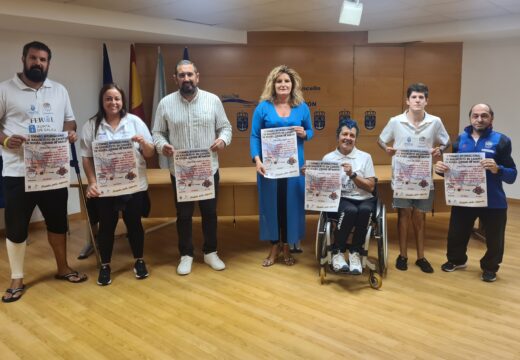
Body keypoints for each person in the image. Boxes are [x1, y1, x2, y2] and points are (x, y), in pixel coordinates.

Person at [0, 41, 87, 303]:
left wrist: (70, 131)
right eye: (34, 58)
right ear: (23, 59)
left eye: (43, 60)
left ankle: (63, 268)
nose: (38, 63)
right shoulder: (5, 89)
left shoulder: (59, 90)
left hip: (53, 171)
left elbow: (70, 119)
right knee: (16, 227)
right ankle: (17, 277)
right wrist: (5, 140)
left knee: (58, 222)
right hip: (18, 171)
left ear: (49, 63)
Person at [153, 60, 232, 276]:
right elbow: (157, 133)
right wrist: (162, 145)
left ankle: (210, 252)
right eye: (181, 75)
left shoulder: (213, 100)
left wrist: (223, 140)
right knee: (184, 215)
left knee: (210, 213)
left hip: (208, 169)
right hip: (180, 171)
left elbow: (225, 127)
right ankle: (186, 255)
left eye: (189, 74)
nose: (186, 78)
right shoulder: (165, 103)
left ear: (197, 76)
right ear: (175, 78)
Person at [80, 83, 155, 286]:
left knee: (134, 225)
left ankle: (139, 261)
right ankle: (105, 265)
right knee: (106, 227)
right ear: (102, 101)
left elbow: (149, 153)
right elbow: (86, 157)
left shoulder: (135, 122)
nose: (113, 102)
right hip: (106, 187)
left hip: (134, 185)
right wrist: (92, 182)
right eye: (108, 98)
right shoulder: (91, 125)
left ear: (122, 101)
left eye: (117, 98)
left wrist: (145, 143)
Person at [435, 104, 517, 282]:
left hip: (493, 200)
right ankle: (456, 260)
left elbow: (512, 175)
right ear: (470, 118)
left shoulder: (502, 141)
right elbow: (453, 170)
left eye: (484, 115)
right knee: (456, 233)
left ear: (491, 119)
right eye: (475, 116)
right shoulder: (459, 140)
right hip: (464, 197)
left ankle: (490, 267)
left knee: (495, 239)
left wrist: (498, 168)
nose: (479, 119)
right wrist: (441, 169)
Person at [378, 83, 450, 273]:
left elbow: (446, 141)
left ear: (427, 101)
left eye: (421, 97)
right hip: (402, 177)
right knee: (403, 215)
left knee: (420, 216)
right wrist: (386, 149)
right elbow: (381, 139)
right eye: (414, 97)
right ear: (407, 100)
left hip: (424, 177)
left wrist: (440, 149)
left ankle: (421, 257)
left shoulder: (435, 121)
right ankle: (403, 256)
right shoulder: (396, 121)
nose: (417, 100)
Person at [250, 65, 314, 267]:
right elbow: (254, 136)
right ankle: (274, 246)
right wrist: (257, 160)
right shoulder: (263, 107)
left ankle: (287, 246)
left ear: (292, 85)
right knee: (272, 207)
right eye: (279, 81)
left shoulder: (302, 107)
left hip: (294, 168)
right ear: (273, 84)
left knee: (290, 206)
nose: (283, 84)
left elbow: (311, 131)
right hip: (269, 168)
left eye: (287, 81)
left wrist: (304, 134)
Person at [323, 119, 376, 274]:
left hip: (364, 198)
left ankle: (355, 252)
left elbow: (371, 186)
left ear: (355, 138)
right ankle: (337, 252)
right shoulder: (328, 158)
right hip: (341, 199)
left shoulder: (365, 157)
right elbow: (322, 186)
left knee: (366, 211)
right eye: (344, 134)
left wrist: (353, 175)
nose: (348, 138)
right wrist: (311, 175)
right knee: (350, 211)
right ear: (338, 137)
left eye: (352, 135)